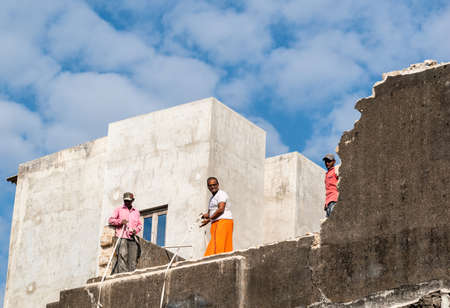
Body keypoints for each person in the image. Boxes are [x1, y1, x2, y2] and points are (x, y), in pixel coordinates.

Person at [108, 192, 142, 274]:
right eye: (125, 200)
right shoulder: (119, 209)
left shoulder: (136, 212)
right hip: (121, 236)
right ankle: (122, 275)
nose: (127, 202)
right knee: (123, 256)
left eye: (129, 201)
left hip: (132, 238)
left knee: (133, 259)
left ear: (132, 201)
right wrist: (120, 221)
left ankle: (131, 276)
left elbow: (140, 225)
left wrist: (136, 230)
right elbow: (110, 220)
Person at [201, 177, 233, 256]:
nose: (212, 187)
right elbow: (210, 213)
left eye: (214, 184)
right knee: (215, 244)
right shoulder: (212, 198)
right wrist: (204, 216)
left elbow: (221, 209)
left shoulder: (221, 194)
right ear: (208, 187)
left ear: (218, 185)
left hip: (223, 221)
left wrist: (209, 219)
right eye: (210, 185)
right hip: (215, 223)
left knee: (219, 245)